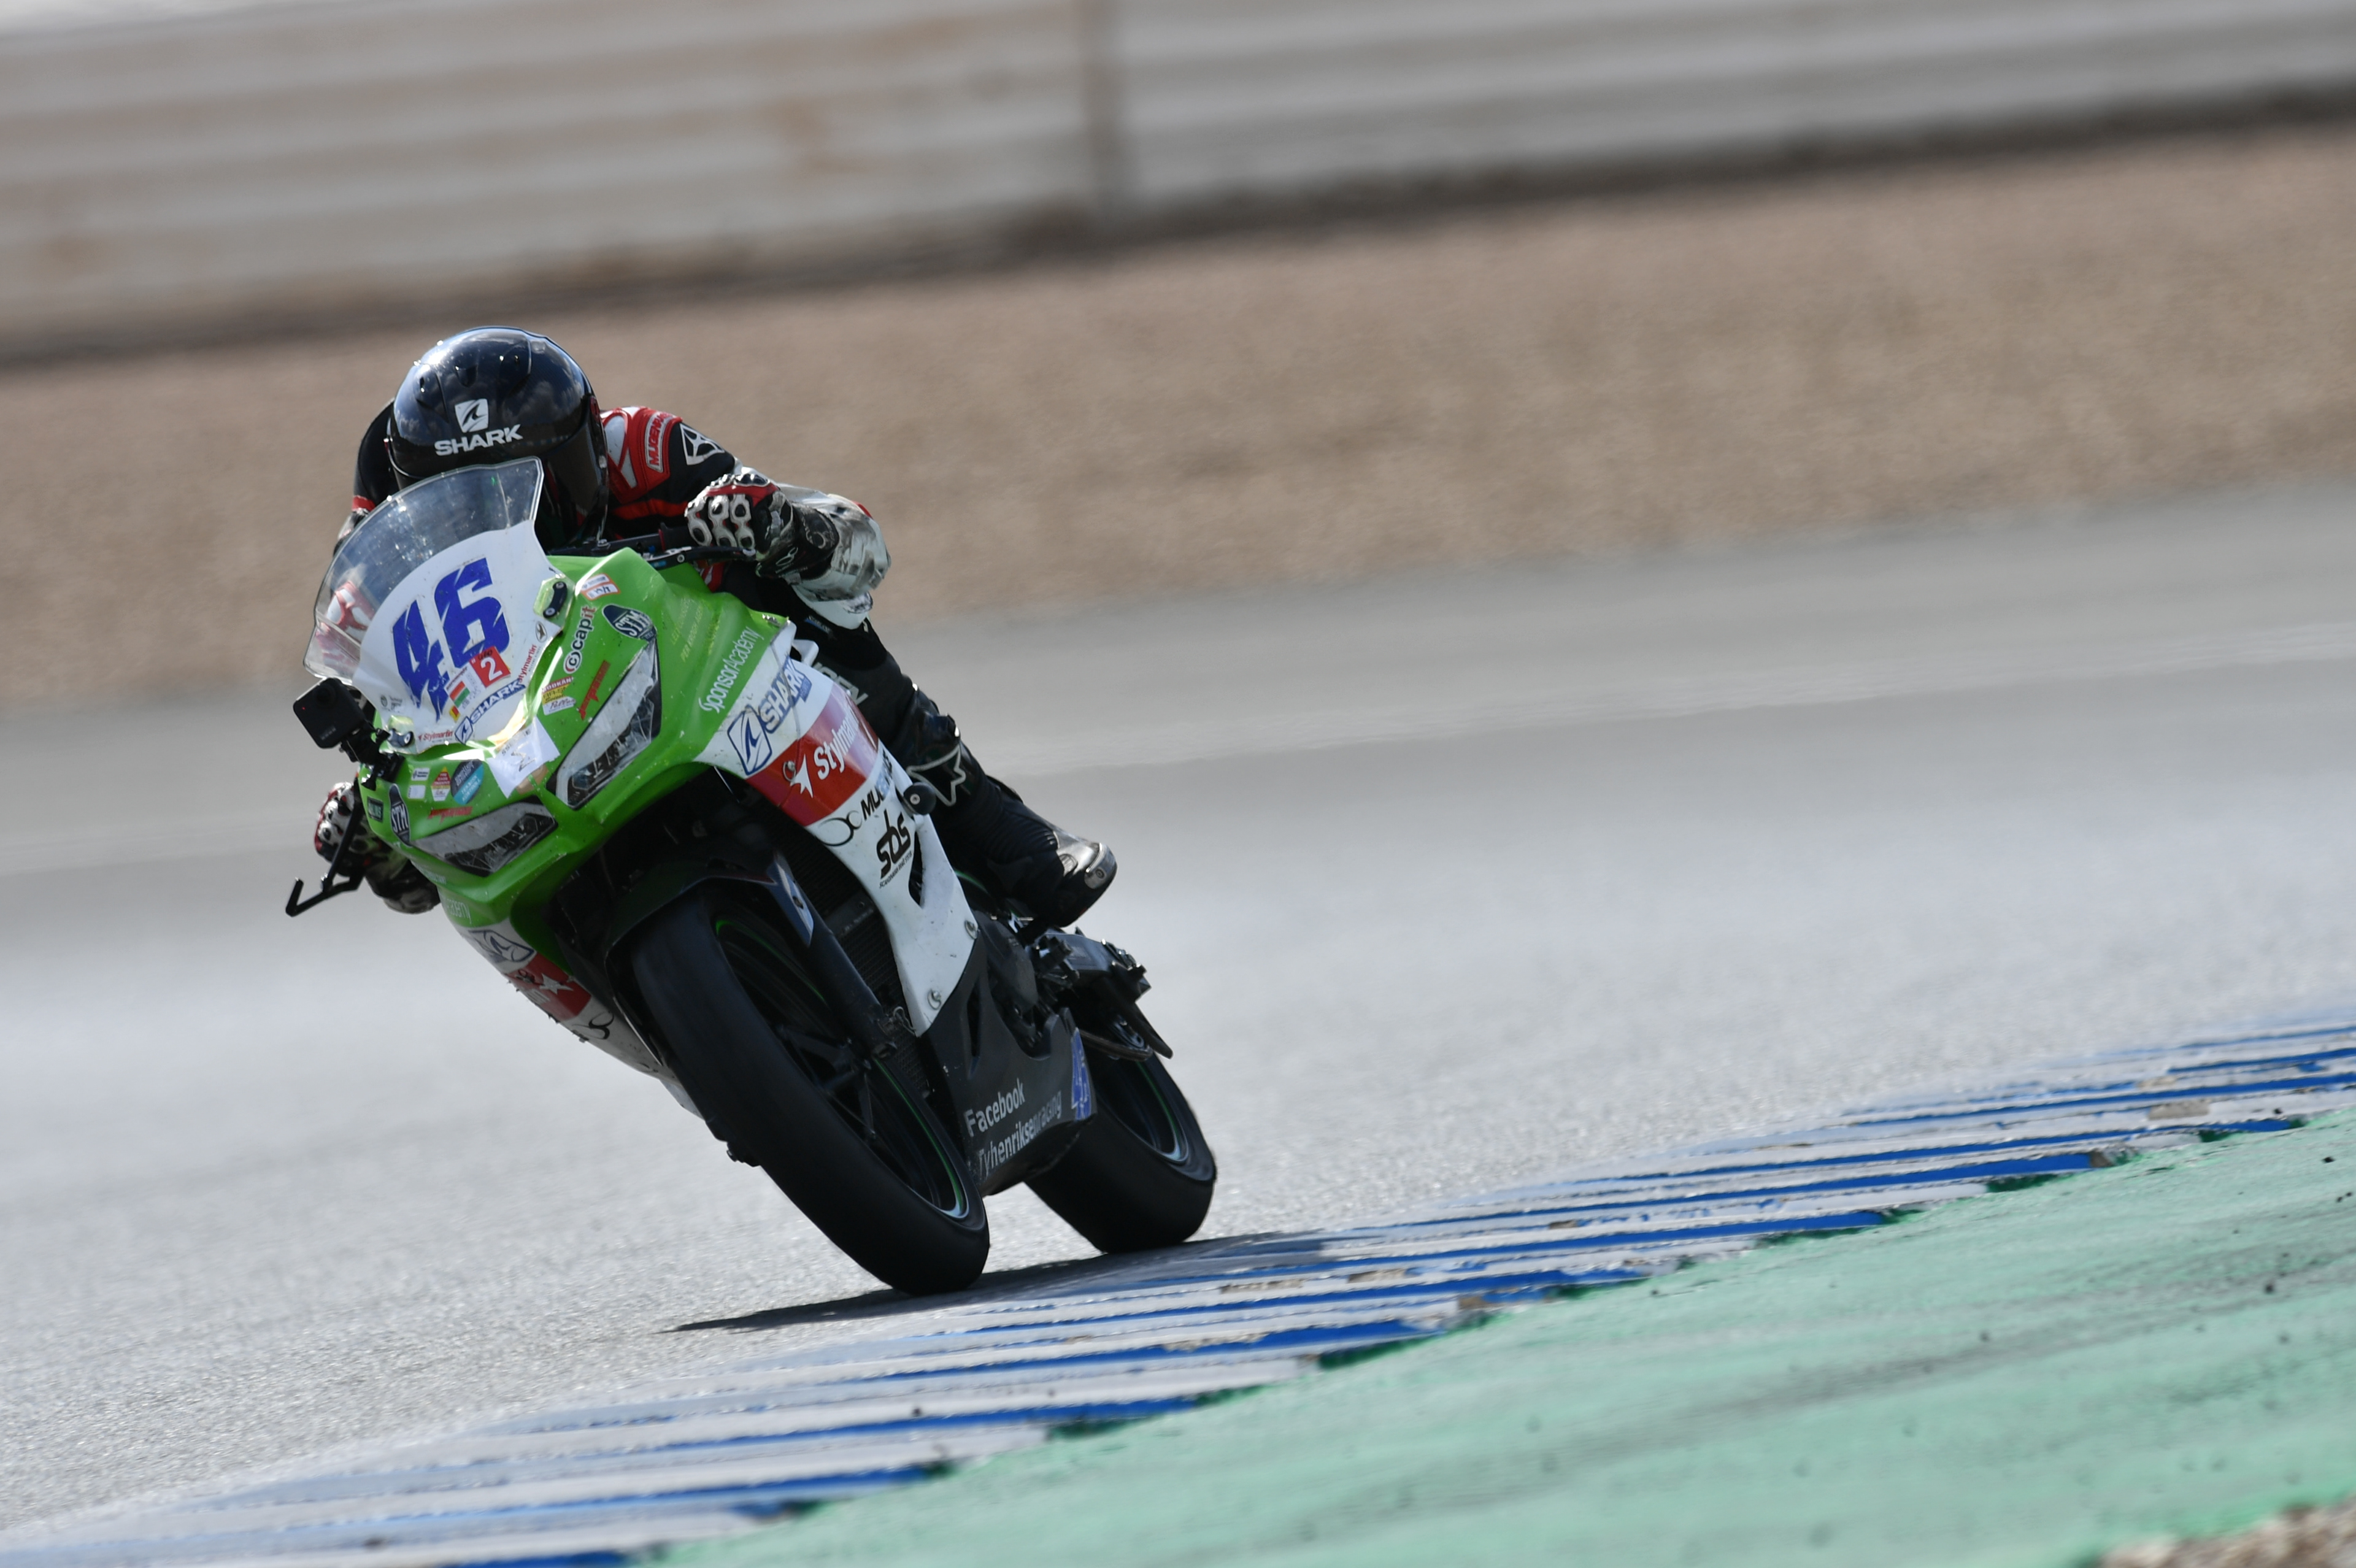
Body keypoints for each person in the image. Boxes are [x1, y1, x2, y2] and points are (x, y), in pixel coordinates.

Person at [313, 326, 1115, 926]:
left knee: (797, 595)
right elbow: (402, 829)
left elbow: (858, 553)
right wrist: (375, 825)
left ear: (588, 443)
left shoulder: (643, 450)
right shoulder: (393, 560)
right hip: (533, 757)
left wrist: (782, 528)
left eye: (539, 485)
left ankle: (998, 829)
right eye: (474, 503)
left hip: (703, 676)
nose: (517, 520)